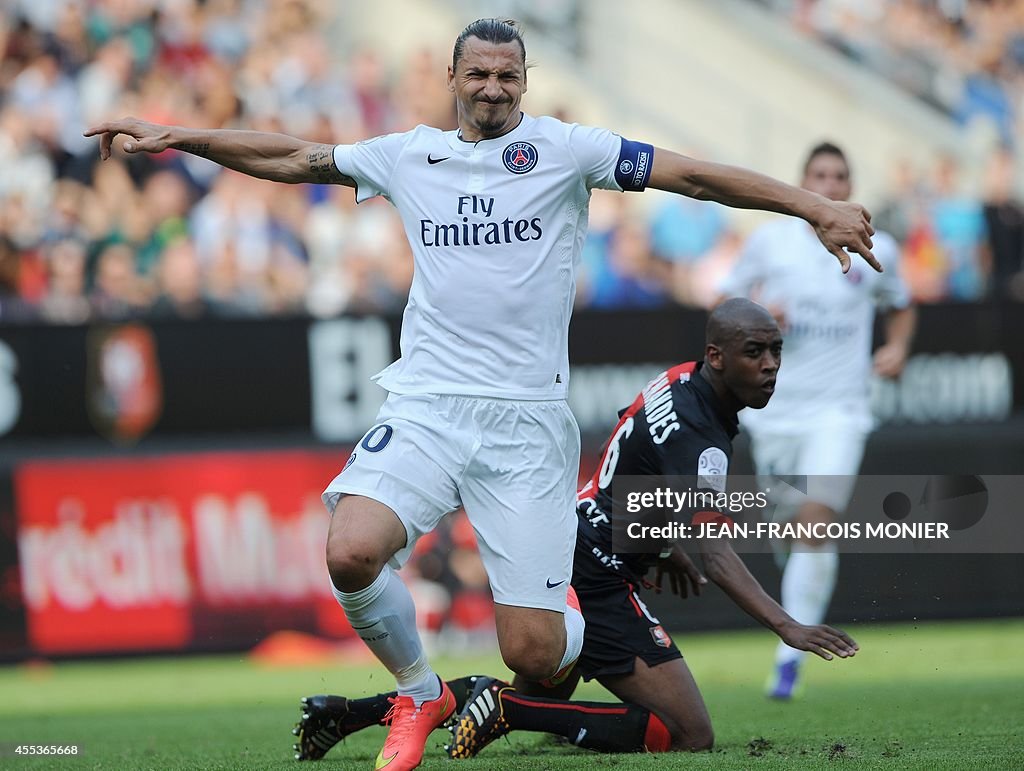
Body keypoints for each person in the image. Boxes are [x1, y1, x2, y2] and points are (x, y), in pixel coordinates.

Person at [86, 21, 878, 771]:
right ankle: (419, 693)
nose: (493, 88)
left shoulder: (569, 150)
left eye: (507, 75)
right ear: (453, 78)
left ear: (525, 81)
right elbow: (295, 156)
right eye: (479, 74)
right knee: (351, 549)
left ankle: (578, 610)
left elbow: (695, 175)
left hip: (528, 426)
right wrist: (181, 136)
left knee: (534, 655)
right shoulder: (408, 155)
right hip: (428, 403)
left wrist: (813, 207)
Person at [292, 299, 859, 762]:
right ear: (717, 356)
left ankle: (346, 713)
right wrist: (786, 625)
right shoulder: (702, 438)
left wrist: (658, 542)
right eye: (754, 353)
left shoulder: (679, 380)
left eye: (776, 351)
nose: (770, 366)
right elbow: (714, 550)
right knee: (689, 733)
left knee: (542, 689)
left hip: (579, 540)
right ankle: (507, 712)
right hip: (600, 571)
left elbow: (633, 450)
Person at [717, 142, 915, 700]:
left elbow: (900, 303)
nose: (829, 185)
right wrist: (756, 318)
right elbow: (722, 301)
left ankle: (789, 656)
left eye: (839, 176)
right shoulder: (770, 242)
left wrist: (897, 348)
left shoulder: (881, 248)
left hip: (841, 410)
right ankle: (798, 606)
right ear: (802, 183)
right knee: (790, 529)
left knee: (816, 519)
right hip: (775, 413)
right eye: (818, 175)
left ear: (850, 185)